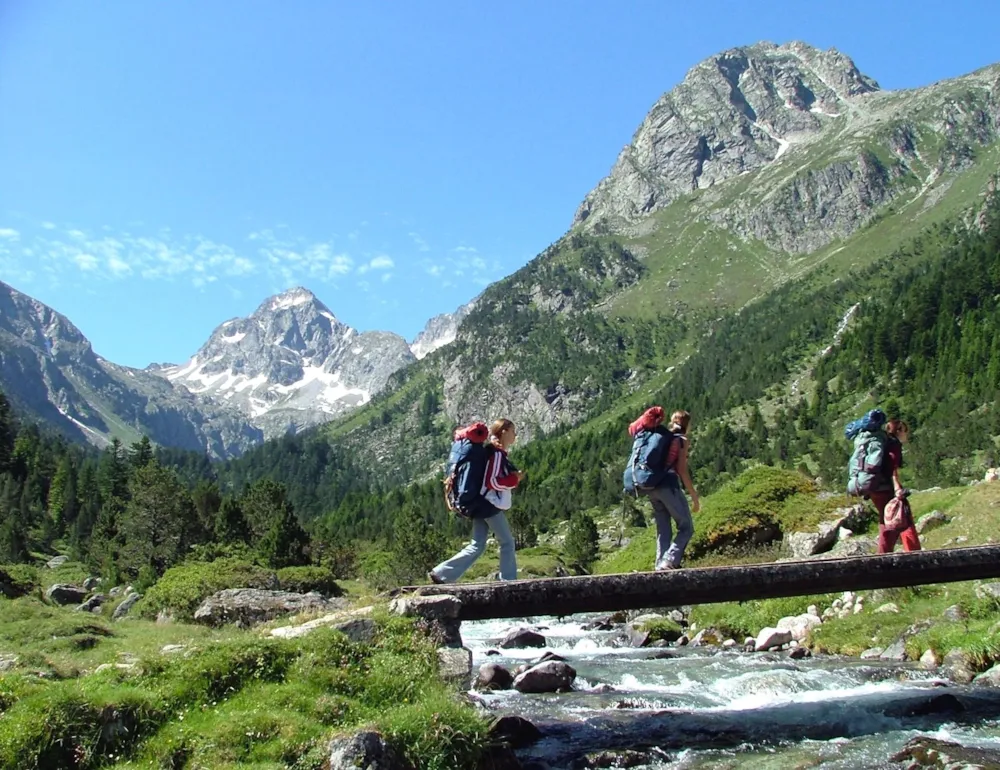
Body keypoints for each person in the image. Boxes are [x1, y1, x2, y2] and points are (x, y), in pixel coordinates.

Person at [429, 419, 523, 583]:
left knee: (477, 544)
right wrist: (513, 480)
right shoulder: (496, 453)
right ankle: (509, 581)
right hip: (487, 504)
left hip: (476, 502)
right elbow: (492, 481)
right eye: (513, 431)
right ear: (504, 431)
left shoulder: (486, 450)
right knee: (507, 541)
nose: (515, 435)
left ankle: (441, 574)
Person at [629, 407, 700, 571]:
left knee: (663, 529)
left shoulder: (661, 437)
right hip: (668, 486)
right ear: (687, 425)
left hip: (652, 486)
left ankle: (660, 565)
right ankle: (668, 561)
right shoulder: (681, 439)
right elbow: (682, 470)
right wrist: (694, 497)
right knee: (686, 527)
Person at [870, 419, 921, 553]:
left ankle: (883, 556)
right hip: (886, 487)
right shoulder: (894, 445)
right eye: (904, 430)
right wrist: (898, 489)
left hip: (874, 488)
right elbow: (892, 468)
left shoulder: (884, 443)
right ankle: (914, 553)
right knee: (902, 517)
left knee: (885, 520)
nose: (907, 433)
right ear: (898, 431)